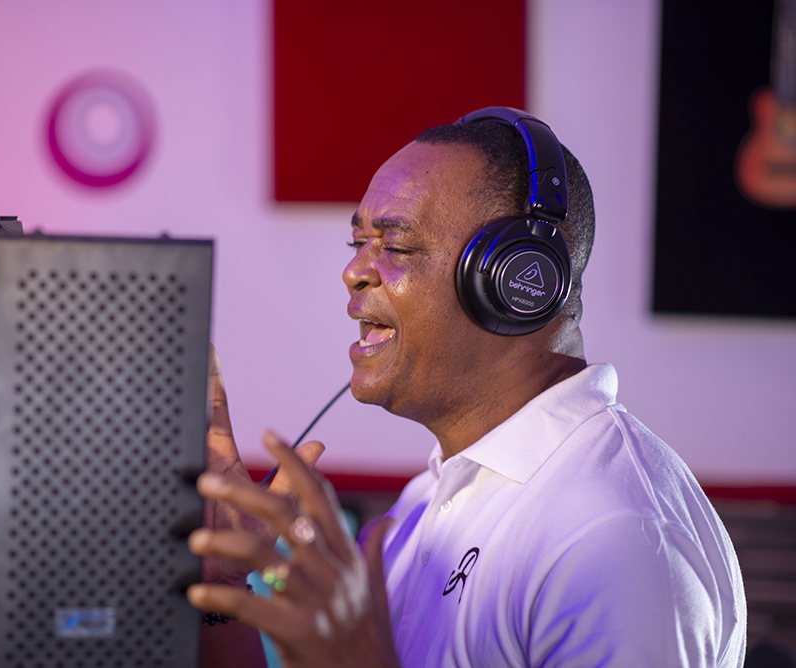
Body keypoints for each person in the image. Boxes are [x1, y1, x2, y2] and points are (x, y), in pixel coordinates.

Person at [185, 108, 748, 667]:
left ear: (517, 280)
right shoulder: (424, 504)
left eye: (396, 247)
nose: (354, 271)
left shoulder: (616, 538)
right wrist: (223, 592)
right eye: (357, 242)